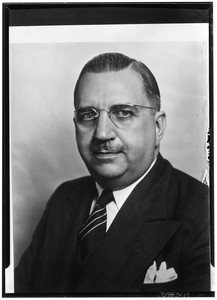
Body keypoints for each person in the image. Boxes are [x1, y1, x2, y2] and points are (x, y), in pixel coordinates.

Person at [15, 52, 210, 294]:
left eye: (123, 112)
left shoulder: (203, 211)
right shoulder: (63, 200)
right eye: (88, 115)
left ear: (157, 127)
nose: (102, 133)